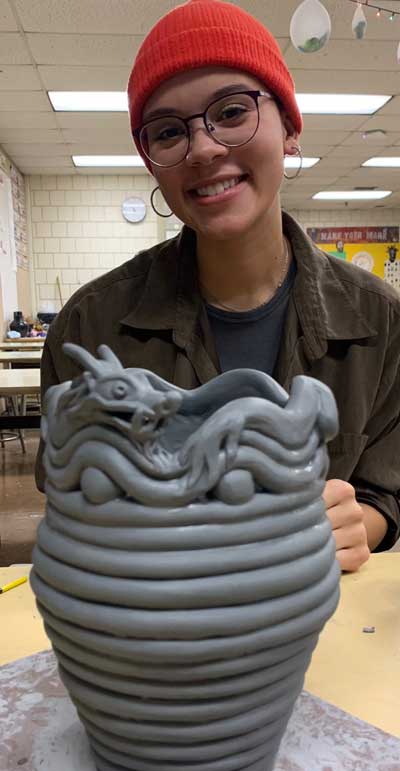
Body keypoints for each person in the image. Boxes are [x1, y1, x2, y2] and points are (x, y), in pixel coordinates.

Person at [35, 0, 400, 573]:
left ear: (290, 129)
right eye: (168, 131)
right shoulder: (91, 325)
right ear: (152, 162)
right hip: (157, 633)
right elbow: (69, 497)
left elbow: (388, 489)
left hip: (315, 622)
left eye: (232, 111)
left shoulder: (383, 321)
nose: (203, 147)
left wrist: (357, 525)